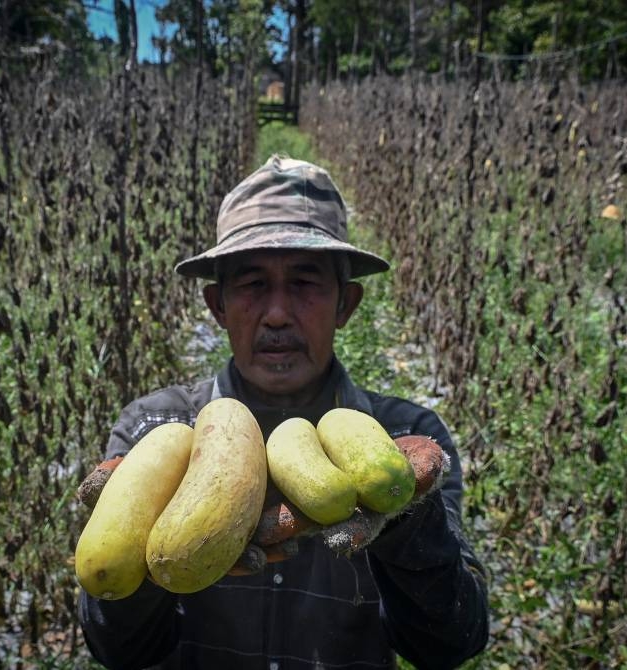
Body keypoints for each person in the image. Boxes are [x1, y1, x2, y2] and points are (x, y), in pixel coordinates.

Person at [78, 155, 489, 669]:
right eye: (251, 284)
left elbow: (451, 645)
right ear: (217, 306)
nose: (276, 313)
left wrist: (410, 525)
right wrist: (142, 560)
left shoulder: (407, 438)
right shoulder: (150, 430)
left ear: (346, 305)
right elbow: (118, 651)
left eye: (304, 283)